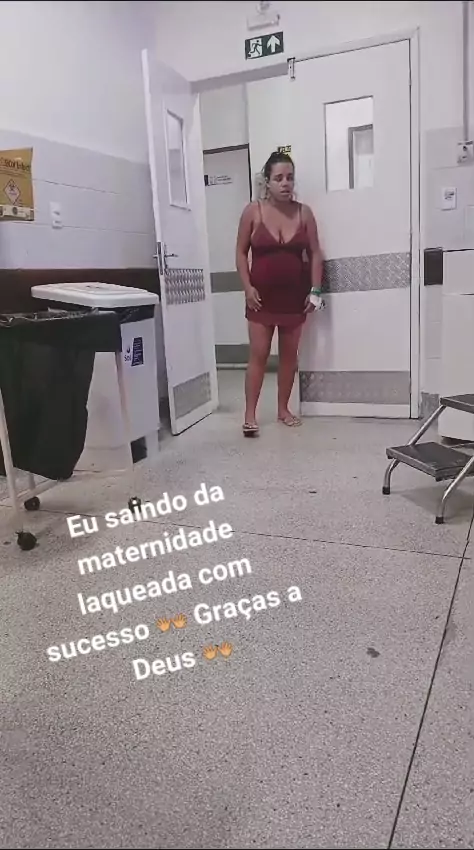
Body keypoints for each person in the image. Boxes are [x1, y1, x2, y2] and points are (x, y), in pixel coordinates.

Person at [236, 151, 323, 437]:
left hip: (294, 299)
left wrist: (315, 290)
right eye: (279, 178)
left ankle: (283, 409)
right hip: (260, 299)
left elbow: (315, 252)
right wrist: (247, 288)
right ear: (267, 182)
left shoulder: (304, 212)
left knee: (289, 356)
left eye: (290, 177)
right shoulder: (253, 211)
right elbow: (240, 252)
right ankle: (250, 414)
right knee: (258, 355)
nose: (285, 183)